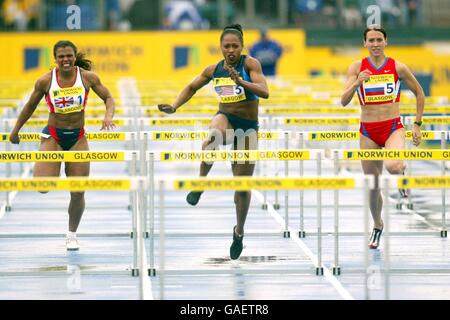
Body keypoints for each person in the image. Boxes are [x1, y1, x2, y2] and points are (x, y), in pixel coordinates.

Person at [158, 24, 269, 260]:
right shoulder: (214, 69)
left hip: (248, 128)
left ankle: (239, 232)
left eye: (235, 46)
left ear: (241, 47)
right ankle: (200, 183)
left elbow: (264, 91)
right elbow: (191, 86)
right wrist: (175, 106)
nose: (231, 50)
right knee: (213, 134)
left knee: (242, 188)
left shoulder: (250, 64)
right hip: (226, 119)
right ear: (220, 47)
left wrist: (241, 81)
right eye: (226, 46)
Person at [9, 40, 116, 251]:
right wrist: (15, 130)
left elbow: (109, 97)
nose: (65, 60)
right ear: (55, 58)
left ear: (74, 57)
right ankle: (52, 167)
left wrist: (108, 116)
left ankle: (71, 235)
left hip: (78, 137)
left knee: (78, 191)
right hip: (53, 136)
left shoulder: (87, 78)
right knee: (42, 187)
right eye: (61, 56)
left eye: (69, 56)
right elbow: (30, 106)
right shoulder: (45, 81)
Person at [341, 26, 424, 249]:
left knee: (393, 166)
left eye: (379, 39)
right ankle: (377, 225)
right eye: (371, 40)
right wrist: (357, 83)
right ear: (365, 43)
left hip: (392, 127)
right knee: (373, 184)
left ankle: (402, 170)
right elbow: (343, 100)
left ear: (386, 42)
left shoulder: (397, 67)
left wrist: (416, 124)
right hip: (368, 131)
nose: (375, 44)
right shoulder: (356, 67)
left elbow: (419, 93)